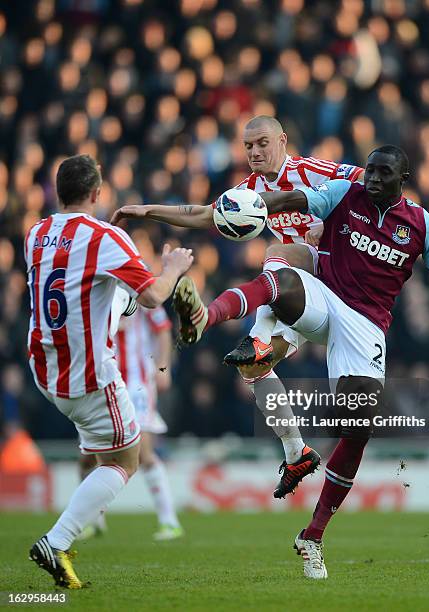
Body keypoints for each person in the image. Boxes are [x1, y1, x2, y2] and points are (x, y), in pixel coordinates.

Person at [171, 145, 429, 579]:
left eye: (382, 174)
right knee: (280, 274)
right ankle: (209, 319)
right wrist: (255, 204)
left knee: (357, 430)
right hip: (325, 296)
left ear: (403, 178)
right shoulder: (343, 192)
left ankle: (313, 535)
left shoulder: (422, 226)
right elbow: (293, 200)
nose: (372, 179)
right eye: (370, 171)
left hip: (367, 325)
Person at [111, 115, 364, 498]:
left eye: (262, 143)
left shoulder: (312, 170)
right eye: (248, 146)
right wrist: (148, 210)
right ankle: (296, 451)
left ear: (282, 140)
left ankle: (220, 321)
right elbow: (202, 214)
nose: (255, 151)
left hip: (336, 278)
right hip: (302, 293)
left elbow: (372, 180)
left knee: (277, 249)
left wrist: (333, 222)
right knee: (251, 366)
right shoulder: (249, 189)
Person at [25, 154, 193, 588]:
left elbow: (79, 285)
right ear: (98, 194)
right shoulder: (106, 237)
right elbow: (155, 296)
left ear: (57, 191)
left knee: (99, 455)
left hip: (45, 370)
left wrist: (122, 299)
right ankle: (56, 541)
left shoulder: (35, 234)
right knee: (126, 459)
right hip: (89, 373)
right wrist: (173, 269)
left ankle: (71, 535)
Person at [78, 290, 183, 542]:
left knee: (143, 452)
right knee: (88, 457)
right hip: (100, 381)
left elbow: (162, 329)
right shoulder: (94, 288)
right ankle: (94, 521)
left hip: (136, 383)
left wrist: (162, 367)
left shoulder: (141, 289)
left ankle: (169, 521)